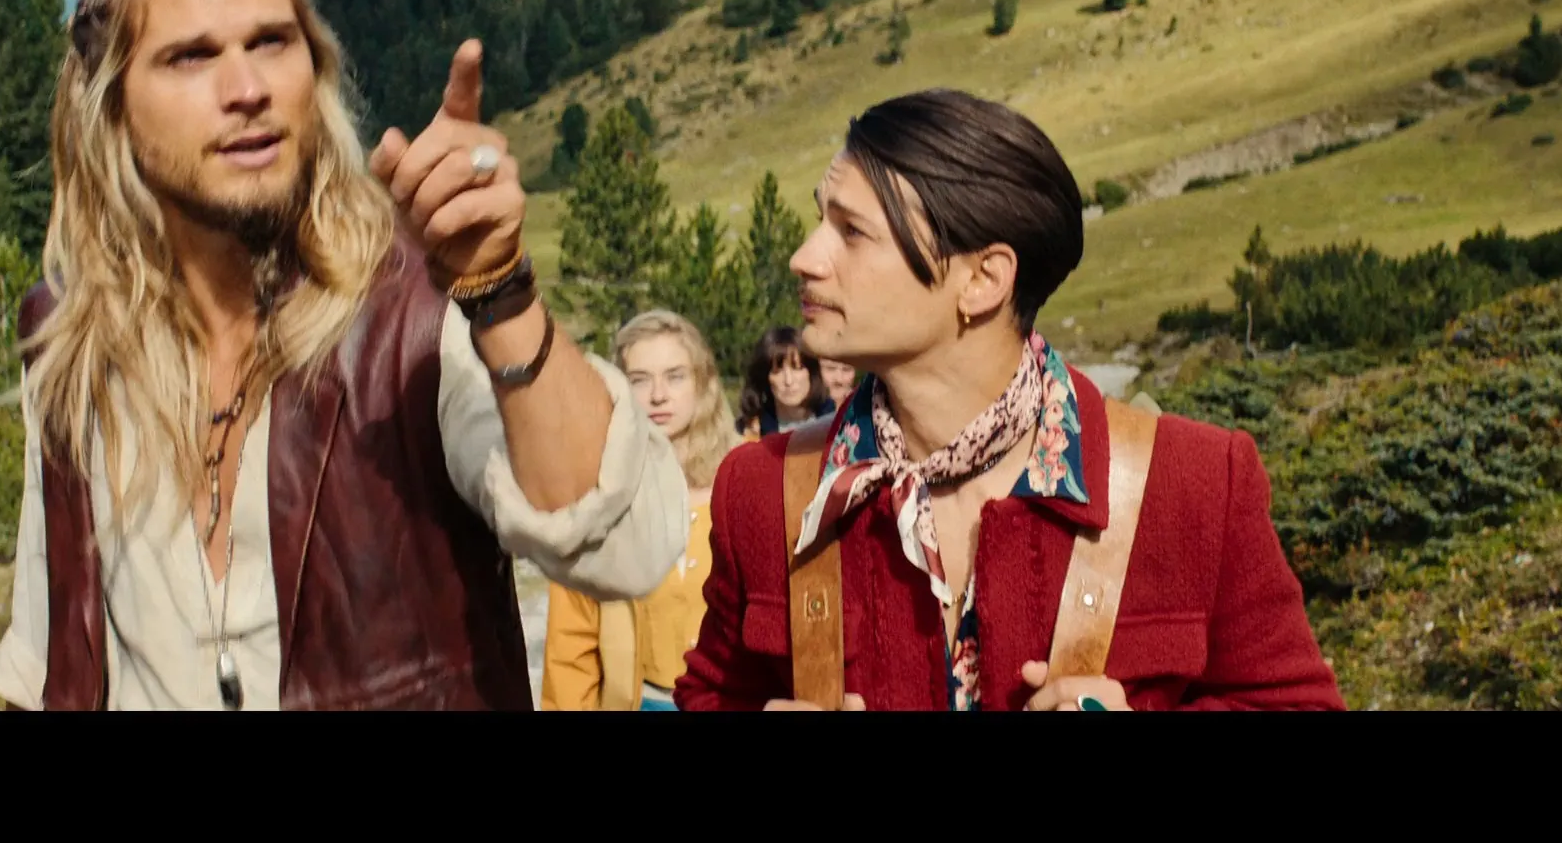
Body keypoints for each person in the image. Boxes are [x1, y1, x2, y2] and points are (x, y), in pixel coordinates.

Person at [0, 0, 687, 711]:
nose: (247, 88)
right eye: (190, 57)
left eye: (271, 42)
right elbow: (49, 662)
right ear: (112, 106)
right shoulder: (70, 336)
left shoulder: (409, 316)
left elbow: (627, 549)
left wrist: (499, 290)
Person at [672, 88, 1345, 712]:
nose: (804, 256)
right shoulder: (763, 491)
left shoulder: (1194, 483)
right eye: (821, 219)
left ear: (983, 280)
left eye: (852, 231)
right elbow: (709, 697)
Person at [539, 310, 739, 711]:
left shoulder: (746, 480)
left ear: (703, 383)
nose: (658, 395)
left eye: (675, 376)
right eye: (640, 380)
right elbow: (571, 646)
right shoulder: (595, 495)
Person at [734, 326, 834, 441]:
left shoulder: (839, 423)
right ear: (765, 377)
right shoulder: (749, 433)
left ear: (811, 372)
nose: (788, 381)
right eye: (777, 371)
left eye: (797, 368)